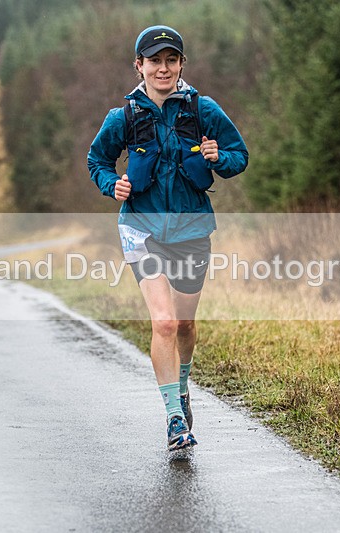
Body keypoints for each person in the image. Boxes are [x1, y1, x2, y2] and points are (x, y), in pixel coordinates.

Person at [87, 25, 248, 451]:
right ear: (138, 66)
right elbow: (97, 159)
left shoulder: (203, 110)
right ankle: (175, 418)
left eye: (171, 60)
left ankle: (182, 384)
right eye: (154, 60)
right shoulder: (122, 117)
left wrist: (219, 156)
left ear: (181, 65)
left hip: (192, 229)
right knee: (165, 322)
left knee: (186, 325)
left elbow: (239, 157)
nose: (163, 68)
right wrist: (112, 184)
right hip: (141, 228)